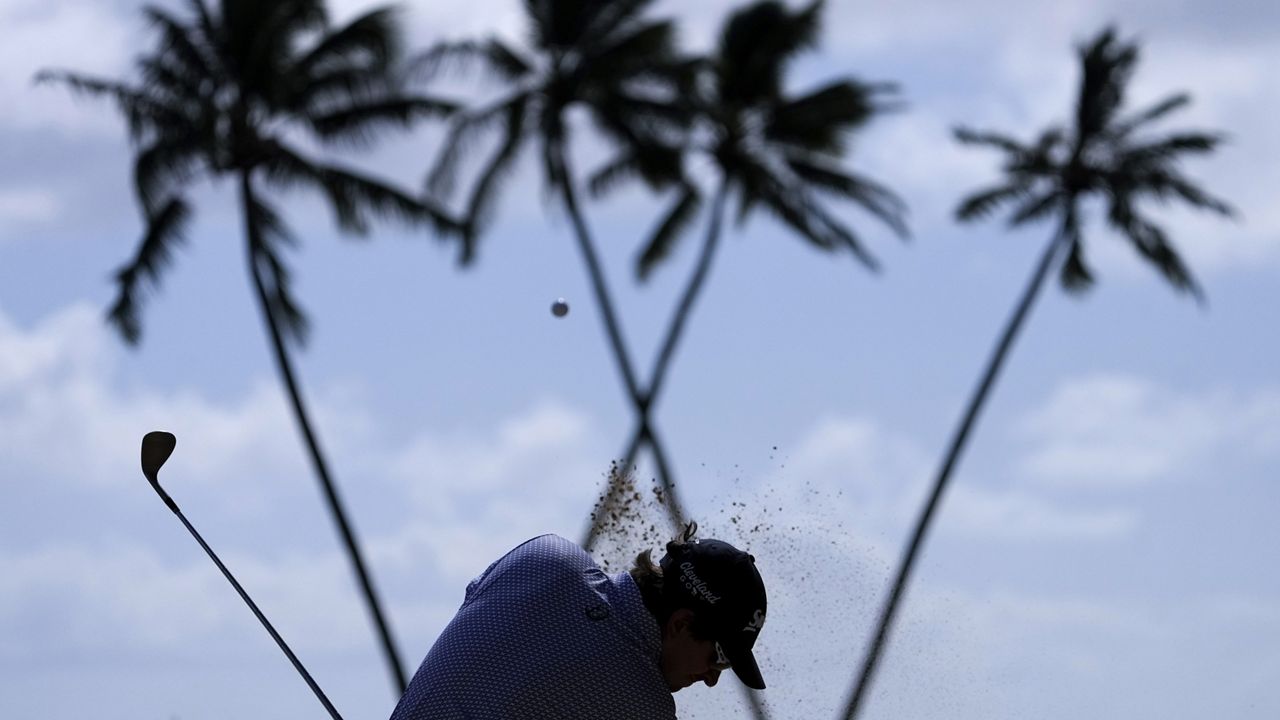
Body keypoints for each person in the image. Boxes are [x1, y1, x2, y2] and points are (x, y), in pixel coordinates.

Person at [389, 522, 768, 719]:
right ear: (681, 625)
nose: (713, 678)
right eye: (719, 657)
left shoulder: (544, 557)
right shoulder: (645, 708)